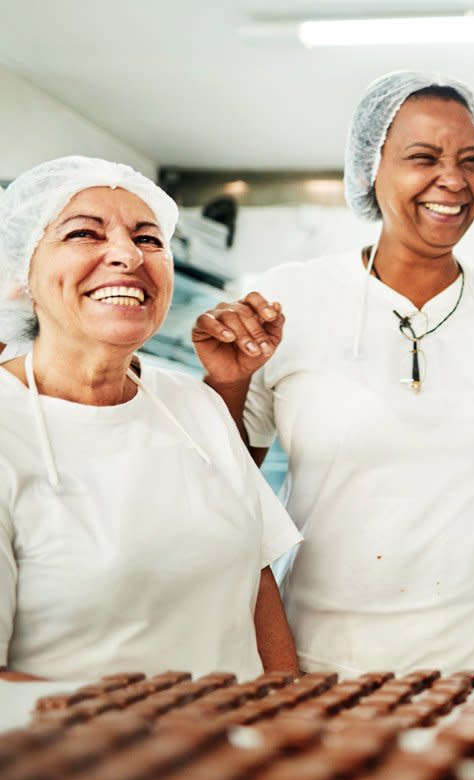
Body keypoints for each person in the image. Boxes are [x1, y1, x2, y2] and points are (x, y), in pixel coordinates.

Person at [192, 72, 474, 676]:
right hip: (331, 658)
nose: (453, 180)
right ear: (371, 169)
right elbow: (225, 478)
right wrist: (229, 380)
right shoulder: (293, 297)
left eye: (470, 160)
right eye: (424, 157)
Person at [0, 156, 301, 681]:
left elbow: (255, 586)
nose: (128, 255)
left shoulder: (198, 404)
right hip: (73, 758)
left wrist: (300, 720)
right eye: (84, 234)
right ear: (19, 274)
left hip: (244, 753)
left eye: (149, 238)